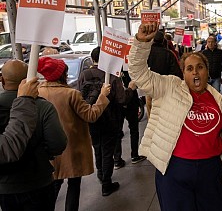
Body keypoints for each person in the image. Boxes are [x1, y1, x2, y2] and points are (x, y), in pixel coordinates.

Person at [128, 23, 222, 210]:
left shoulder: (217, 98)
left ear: (207, 71)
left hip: (210, 170)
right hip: (175, 171)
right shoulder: (170, 87)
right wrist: (141, 43)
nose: (195, 72)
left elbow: (216, 131)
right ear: (183, 73)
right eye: (189, 69)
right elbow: (139, 74)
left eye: (200, 67)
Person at [37, 56, 111, 210]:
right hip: (72, 148)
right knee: (73, 185)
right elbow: (91, 115)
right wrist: (103, 95)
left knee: (54, 185)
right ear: (62, 74)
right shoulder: (71, 94)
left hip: (48, 149)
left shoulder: (37, 93)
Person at [0, 60, 67, 211]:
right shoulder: (43, 106)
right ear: (28, 81)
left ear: (2, 79)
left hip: (6, 186)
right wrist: (44, 154)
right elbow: (58, 143)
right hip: (39, 180)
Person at [77, 47, 136, 196]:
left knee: (97, 148)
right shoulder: (111, 76)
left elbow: (80, 96)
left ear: (92, 59)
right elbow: (122, 99)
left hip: (91, 119)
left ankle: (101, 175)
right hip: (110, 118)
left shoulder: (84, 75)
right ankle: (106, 183)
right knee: (108, 150)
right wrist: (130, 88)